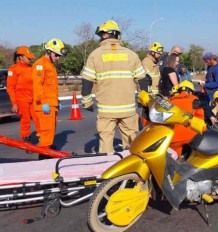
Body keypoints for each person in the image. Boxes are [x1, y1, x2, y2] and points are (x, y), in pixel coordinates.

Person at [81, 20, 146, 153]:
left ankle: (107, 170)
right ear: (117, 35)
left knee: (105, 143)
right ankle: (131, 170)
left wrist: (87, 102)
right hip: (127, 109)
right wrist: (142, 101)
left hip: (106, 110)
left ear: (104, 36)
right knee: (132, 143)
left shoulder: (95, 55)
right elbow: (142, 80)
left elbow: (87, 81)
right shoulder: (131, 55)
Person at [32, 38, 66, 156]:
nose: (58, 58)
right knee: (46, 132)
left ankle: (48, 149)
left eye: (59, 56)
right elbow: (37, 85)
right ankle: (44, 155)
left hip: (51, 105)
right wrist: (42, 102)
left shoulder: (50, 65)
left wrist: (56, 101)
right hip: (44, 105)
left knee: (50, 131)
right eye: (56, 55)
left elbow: (50, 87)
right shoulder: (40, 65)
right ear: (48, 52)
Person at [7, 46, 40, 145]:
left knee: (38, 118)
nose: (30, 59)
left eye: (30, 58)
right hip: (21, 99)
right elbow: (10, 87)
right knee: (25, 120)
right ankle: (26, 140)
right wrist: (14, 103)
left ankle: (44, 138)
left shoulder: (32, 68)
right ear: (20, 57)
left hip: (33, 98)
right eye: (28, 57)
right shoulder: (14, 70)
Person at [168, 80, 205, 156]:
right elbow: (200, 120)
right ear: (191, 92)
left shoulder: (169, 102)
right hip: (191, 137)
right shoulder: (195, 100)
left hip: (173, 139)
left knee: (174, 159)